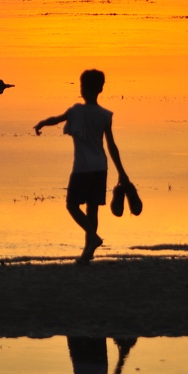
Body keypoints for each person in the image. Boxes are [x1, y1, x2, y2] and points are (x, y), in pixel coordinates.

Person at [34, 68, 130, 263]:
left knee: (72, 205)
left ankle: (92, 239)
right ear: (100, 89)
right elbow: (111, 145)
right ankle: (88, 251)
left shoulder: (76, 111)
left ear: (83, 89)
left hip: (83, 168)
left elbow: (57, 119)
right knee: (92, 209)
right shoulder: (105, 115)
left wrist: (42, 123)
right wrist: (121, 172)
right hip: (100, 167)